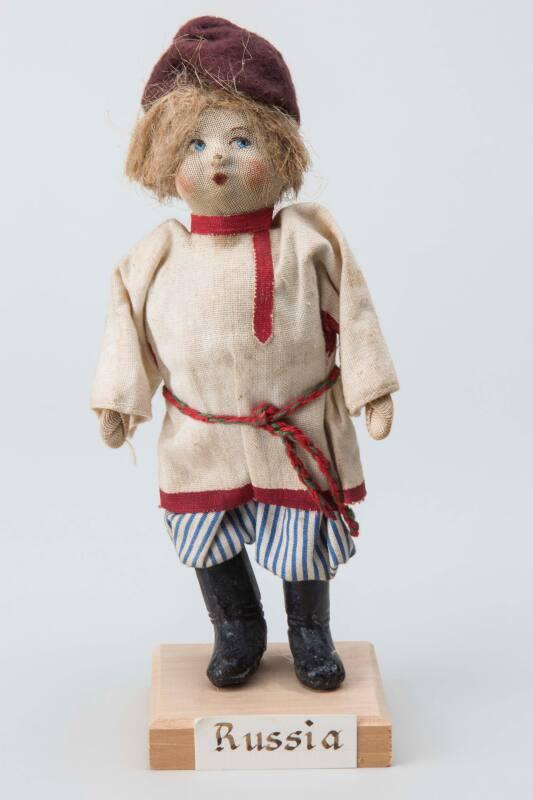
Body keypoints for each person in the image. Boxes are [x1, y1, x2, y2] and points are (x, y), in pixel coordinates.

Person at [91, 16, 399, 691]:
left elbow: (353, 310)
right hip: (202, 432)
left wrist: (371, 387)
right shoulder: (158, 254)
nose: (217, 160)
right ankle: (237, 626)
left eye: (240, 139)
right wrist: (119, 400)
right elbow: (127, 329)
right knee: (206, 532)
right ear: (162, 157)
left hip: (296, 425)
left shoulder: (308, 241)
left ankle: (310, 631)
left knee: (304, 537)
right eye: (195, 143)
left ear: (281, 149)